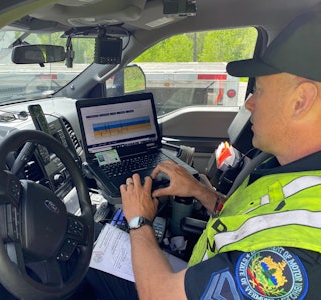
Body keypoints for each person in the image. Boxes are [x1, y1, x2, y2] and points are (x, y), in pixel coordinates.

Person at [87, 9, 321, 300]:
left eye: (258, 90)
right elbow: (252, 221)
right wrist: (199, 191)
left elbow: (158, 295)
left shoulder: (293, 261)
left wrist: (139, 221)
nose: (249, 103)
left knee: (88, 258)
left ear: (301, 101)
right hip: (199, 273)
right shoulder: (287, 167)